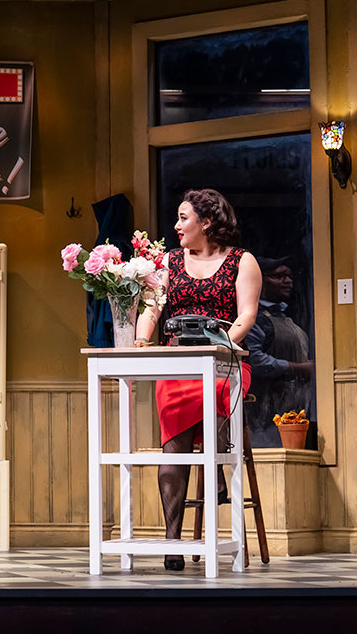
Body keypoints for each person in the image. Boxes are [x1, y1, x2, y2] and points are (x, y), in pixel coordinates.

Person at [134, 188, 261, 571]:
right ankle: (173, 540)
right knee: (174, 443)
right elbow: (152, 310)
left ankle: (216, 465)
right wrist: (141, 339)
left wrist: (220, 347)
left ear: (207, 222)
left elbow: (246, 316)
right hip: (176, 365)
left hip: (225, 362)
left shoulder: (242, 262)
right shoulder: (170, 262)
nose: (176, 225)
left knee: (219, 389)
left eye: (183, 218)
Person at [244, 257, 314, 447]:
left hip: (294, 408)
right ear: (261, 281)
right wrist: (298, 368)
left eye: (289, 276)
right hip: (265, 414)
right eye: (278, 276)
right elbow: (255, 360)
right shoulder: (255, 319)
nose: (287, 281)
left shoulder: (286, 318)